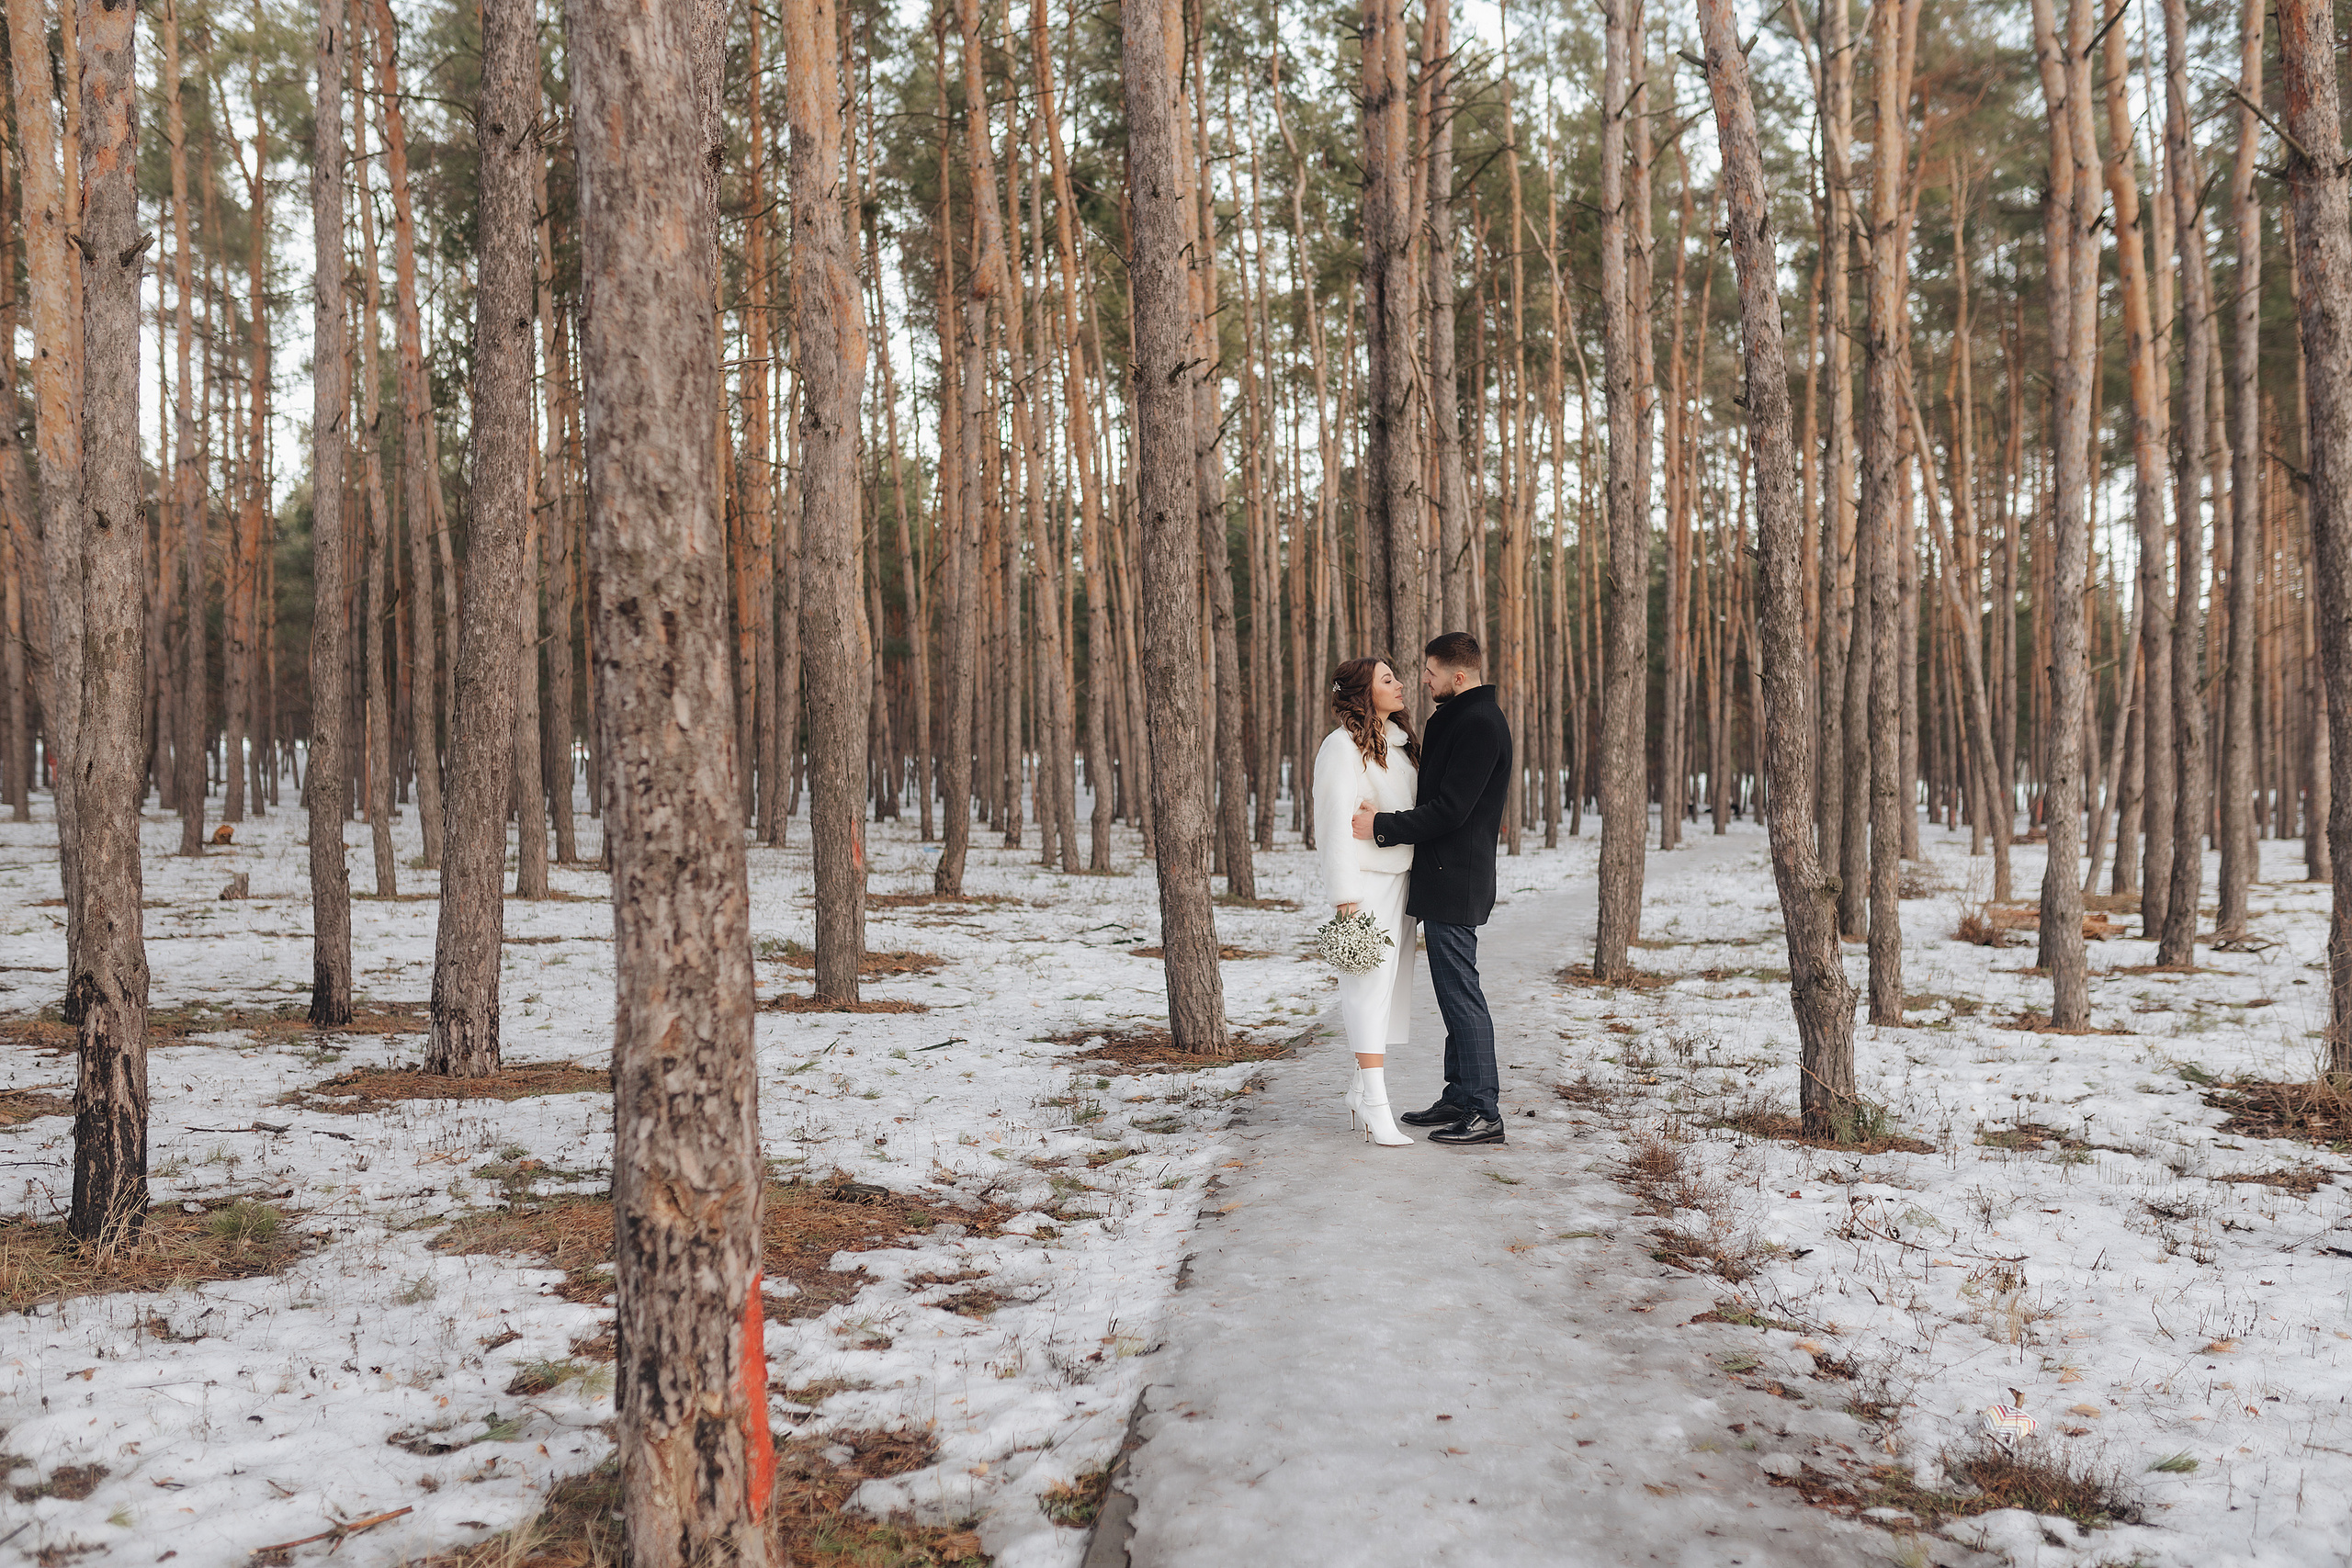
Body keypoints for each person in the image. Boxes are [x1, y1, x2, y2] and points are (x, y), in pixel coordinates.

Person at [1351, 632, 1511, 1146]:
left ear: (1458, 677)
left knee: (1462, 992)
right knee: (1450, 991)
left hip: (1458, 877)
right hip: (1441, 876)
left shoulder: (1482, 724)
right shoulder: (1454, 719)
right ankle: (1460, 1095)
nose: (1423, 679)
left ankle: (1484, 1108)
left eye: (1430, 672)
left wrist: (1383, 825)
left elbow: (1452, 810)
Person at [1314, 657, 1420, 1146]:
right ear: (1362, 692)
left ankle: (1360, 1089)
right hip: (1365, 889)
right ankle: (1378, 1106)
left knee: (1388, 994)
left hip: (1400, 883)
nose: (1399, 685)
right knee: (1365, 990)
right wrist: (1346, 899)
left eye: (1395, 677)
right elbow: (1333, 826)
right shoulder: (1340, 748)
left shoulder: (1399, 746)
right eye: (1387, 679)